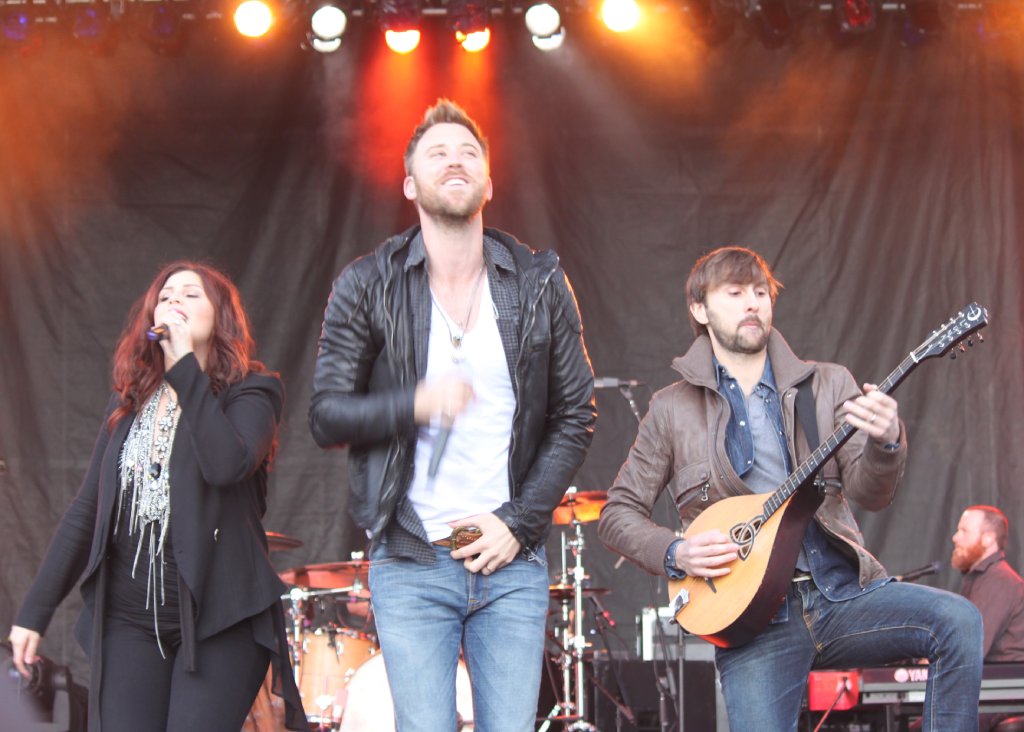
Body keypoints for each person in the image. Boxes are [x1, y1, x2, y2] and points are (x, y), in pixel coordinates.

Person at [598, 246, 984, 731]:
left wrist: (887, 442)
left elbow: (871, 493)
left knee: (958, 622)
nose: (753, 303)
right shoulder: (671, 409)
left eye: (761, 292)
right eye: (735, 293)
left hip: (840, 593)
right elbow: (617, 515)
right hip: (753, 621)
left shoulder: (826, 384)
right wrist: (678, 552)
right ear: (699, 309)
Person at [309, 99, 596, 732]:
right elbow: (326, 415)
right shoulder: (368, 282)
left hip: (509, 556)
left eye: (469, 152)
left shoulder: (538, 280)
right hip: (412, 554)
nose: (455, 160)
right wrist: (415, 403)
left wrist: (518, 524)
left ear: (489, 183)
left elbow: (577, 413)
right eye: (436, 153)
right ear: (410, 183)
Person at [8, 262, 304, 732]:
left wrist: (186, 365)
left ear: (220, 317)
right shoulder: (127, 403)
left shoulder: (253, 393)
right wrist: (34, 612)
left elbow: (226, 464)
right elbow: (88, 511)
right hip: (129, 617)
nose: (175, 302)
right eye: (166, 296)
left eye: (191, 295)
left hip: (219, 620)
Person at [952, 506, 1024, 661]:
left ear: (988, 538)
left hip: (1005, 683)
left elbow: (970, 647)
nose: (955, 537)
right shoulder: (984, 577)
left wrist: (928, 662)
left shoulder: (1000, 580)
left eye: (964, 531)